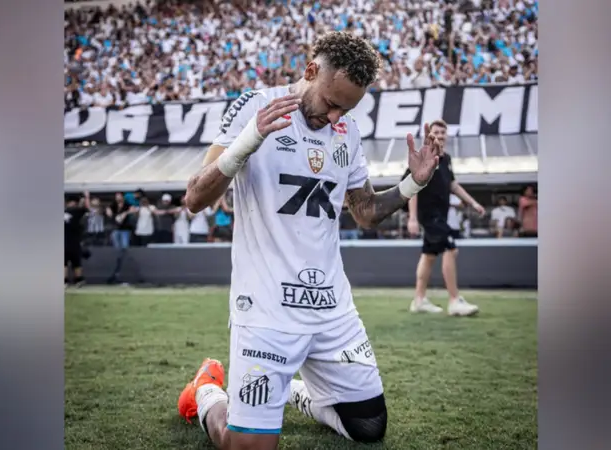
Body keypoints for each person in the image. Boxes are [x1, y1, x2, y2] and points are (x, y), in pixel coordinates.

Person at [177, 31, 441, 450]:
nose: (335, 117)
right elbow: (195, 198)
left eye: (346, 109)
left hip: (331, 309)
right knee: (247, 447)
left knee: (369, 427)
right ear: (311, 71)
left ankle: (297, 394)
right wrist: (248, 142)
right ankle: (207, 391)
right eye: (331, 103)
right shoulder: (256, 106)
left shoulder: (346, 132)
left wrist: (413, 184)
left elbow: (365, 211)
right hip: (266, 310)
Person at [404, 120, 485, 316]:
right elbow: (411, 187)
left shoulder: (446, 159)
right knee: (450, 248)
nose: (440, 135)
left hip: (441, 215)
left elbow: (453, 185)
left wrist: (472, 203)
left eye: (443, 132)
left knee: (429, 255)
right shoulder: (423, 157)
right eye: (436, 132)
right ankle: (454, 300)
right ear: (429, 135)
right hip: (429, 216)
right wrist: (412, 218)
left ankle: (419, 300)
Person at [64, 191, 90, 287]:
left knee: (64, 262)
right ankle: (78, 280)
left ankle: (65, 281)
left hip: (64, 240)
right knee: (76, 262)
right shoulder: (77, 211)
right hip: (74, 240)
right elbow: (87, 209)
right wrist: (87, 197)